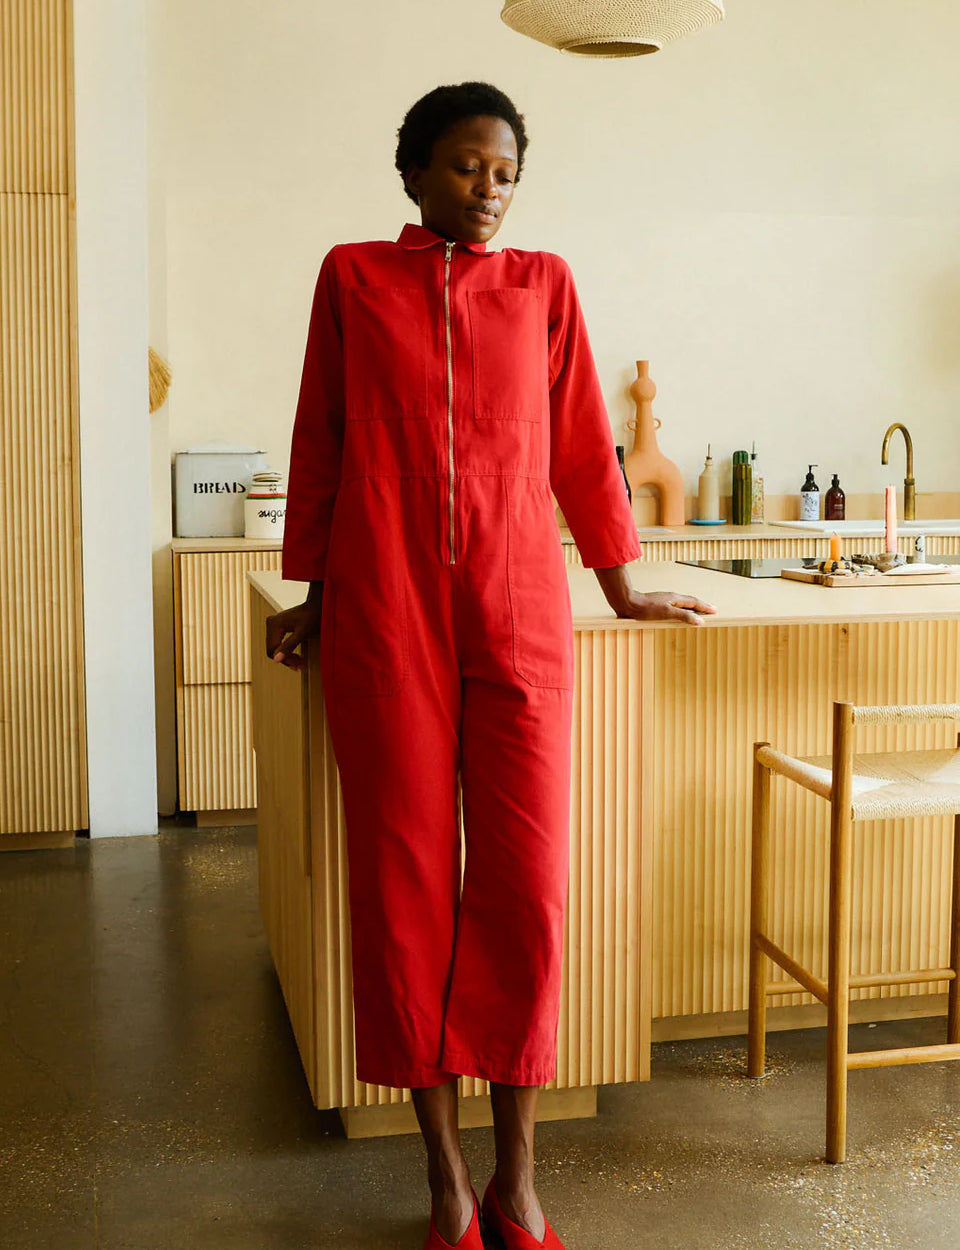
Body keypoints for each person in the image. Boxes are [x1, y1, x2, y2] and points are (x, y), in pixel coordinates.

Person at [266, 82, 715, 1250]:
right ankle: (446, 1176)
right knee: (401, 876)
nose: (489, 188)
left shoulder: (543, 284)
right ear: (415, 171)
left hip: (516, 600)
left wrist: (618, 582)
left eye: (506, 171)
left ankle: (519, 1173)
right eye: (467, 166)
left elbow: (581, 449)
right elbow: (322, 432)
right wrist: (316, 588)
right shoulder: (353, 277)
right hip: (385, 600)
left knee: (525, 881)